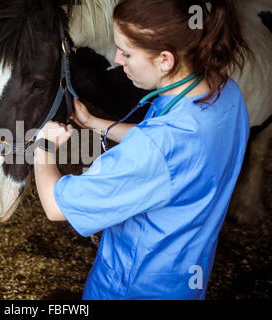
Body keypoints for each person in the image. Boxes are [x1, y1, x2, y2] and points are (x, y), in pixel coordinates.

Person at [33, 0, 251, 299]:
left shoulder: (157, 147)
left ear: (165, 60)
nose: (117, 59)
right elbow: (175, 151)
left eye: (127, 52)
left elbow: (55, 207)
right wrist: (96, 123)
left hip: (130, 288)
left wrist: (43, 149)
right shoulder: (224, 93)